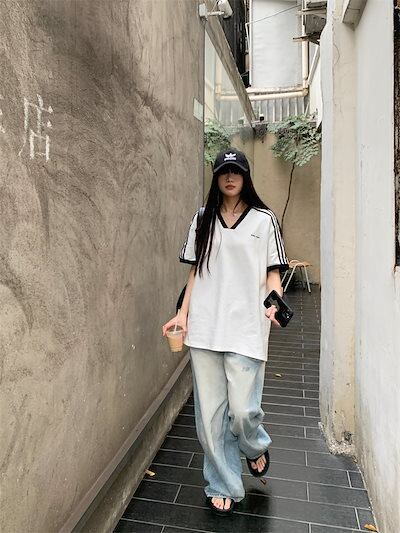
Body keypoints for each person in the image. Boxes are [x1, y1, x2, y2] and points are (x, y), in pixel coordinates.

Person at [162, 148, 289, 516]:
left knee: (243, 410)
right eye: (223, 171)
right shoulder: (202, 219)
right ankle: (222, 484)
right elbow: (195, 271)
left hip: (247, 327)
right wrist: (182, 314)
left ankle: (254, 445)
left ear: (246, 177)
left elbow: (273, 272)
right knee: (211, 418)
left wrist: (275, 302)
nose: (230, 177)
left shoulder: (264, 220)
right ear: (216, 177)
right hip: (205, 327)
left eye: (236, 171)